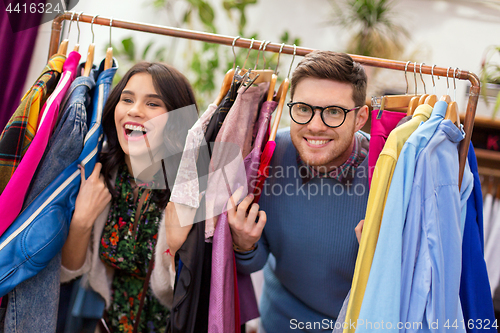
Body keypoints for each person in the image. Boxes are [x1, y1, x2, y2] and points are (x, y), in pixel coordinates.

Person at [228, 51, 370, 332]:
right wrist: (243, 243)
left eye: (334, 112)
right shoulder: (268, 154)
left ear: (360, 117)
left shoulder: (388, 174)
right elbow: (254, 262)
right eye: (304, 109)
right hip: (278, 322)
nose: (315, 126)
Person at [60, 62, 198, 333]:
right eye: (127, 99)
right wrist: (81, 221)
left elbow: (192, 291)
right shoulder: (100, 172)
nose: (134, 110)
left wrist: (176, 245)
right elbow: (69, 270)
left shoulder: (190, 188)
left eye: (153, 104)